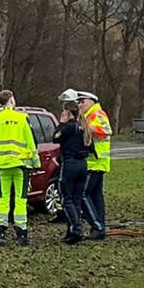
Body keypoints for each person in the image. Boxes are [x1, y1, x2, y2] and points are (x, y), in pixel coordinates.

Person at [0, 89, 39, 246]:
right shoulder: (22, 117)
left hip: (2, 164)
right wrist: (35, 160)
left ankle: (0, 233)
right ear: (11, 100)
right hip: (20, 163)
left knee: (2, 199)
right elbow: (31, 140)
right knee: (20, 199)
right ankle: (21, 233)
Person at [53, 100, 92, 244]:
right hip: (82, 164)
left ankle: (76, 229)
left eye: (63, 111)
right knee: (76, 199)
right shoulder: (83, 127)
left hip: (70, 164)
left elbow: (55, 137)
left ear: (67, 112)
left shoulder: (69, 127)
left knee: (66, 198)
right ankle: (71, 231)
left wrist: (61, 123)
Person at [77, 91, 111, 240]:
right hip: (94, 162)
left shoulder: (96, 113)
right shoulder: (88, 115)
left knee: (83, 194)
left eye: (82, 101)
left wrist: (87, 129)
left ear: (91, 101)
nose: (80, 105)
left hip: (96, 162)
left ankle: (97, 225)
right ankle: (99, 226)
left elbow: (106, 130)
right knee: (96, 195)